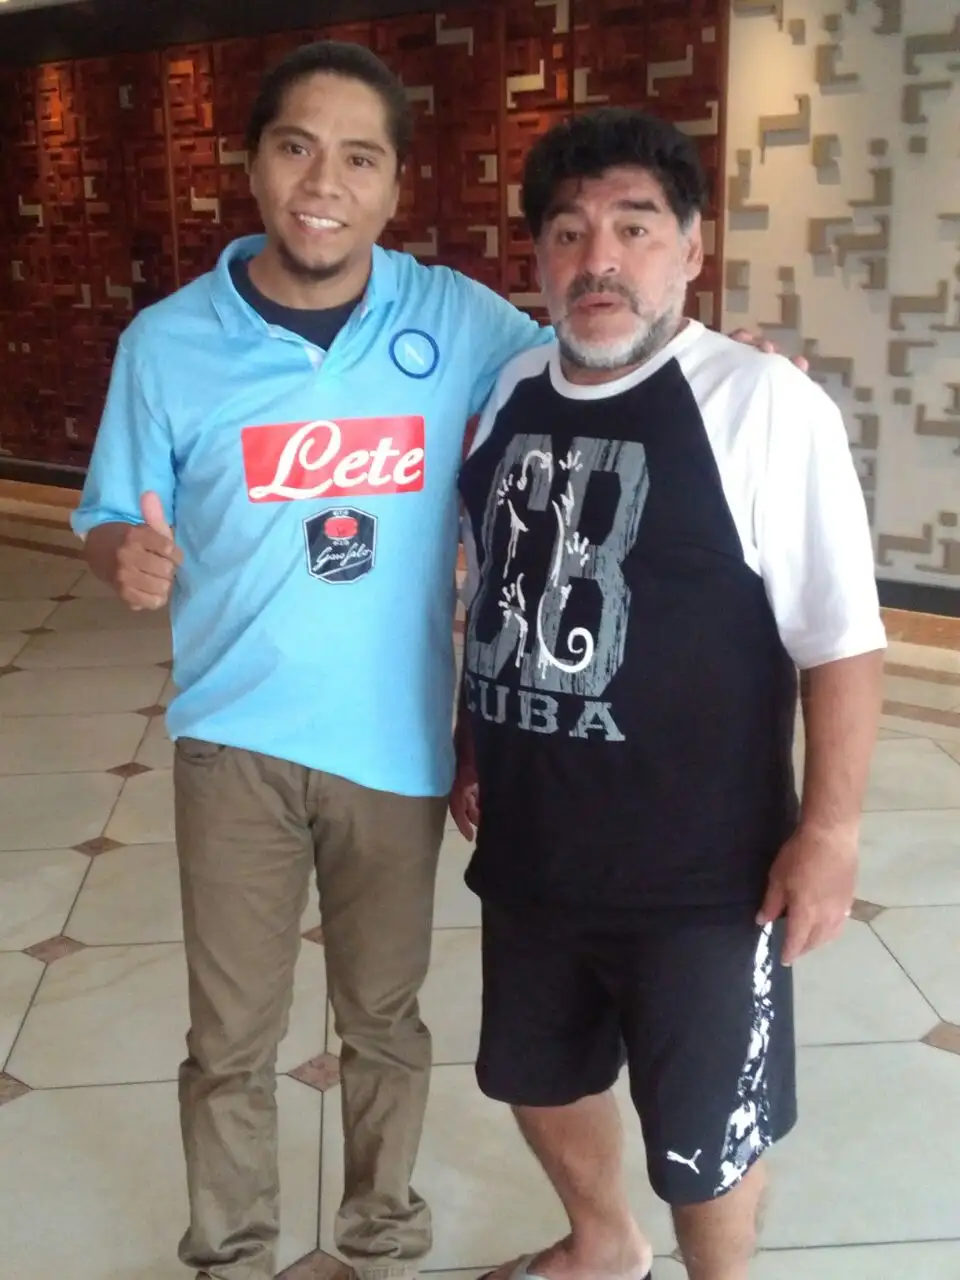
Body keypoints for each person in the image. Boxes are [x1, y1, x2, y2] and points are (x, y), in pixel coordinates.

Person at [72, 40, 800, 1280]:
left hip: (394, 741)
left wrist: (732, 362)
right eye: (297, 147)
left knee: (385, 1021)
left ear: (394, 183)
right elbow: (104, 510)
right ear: (252, 163)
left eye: (359, 158)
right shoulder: (166, 341)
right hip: (231, 738)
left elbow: (598, 346)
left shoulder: (455, 318)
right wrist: (118, 555)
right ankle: (232, 1251)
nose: (324, 183)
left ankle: (382, 1236)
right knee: (230, 1035)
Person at [451, 108, 886, 1280]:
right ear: (539, 256)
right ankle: (603, 1243)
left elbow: (841, 638)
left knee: (705, 1139)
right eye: (569, 231)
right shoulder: (507, 390)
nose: (599, 259)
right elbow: (500, 583)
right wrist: (474, 741)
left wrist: (830, 831)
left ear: (691, 249)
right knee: (534, 1073)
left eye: (635, 227)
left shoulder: (763, 403)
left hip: (705, 880)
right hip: (535, 852)